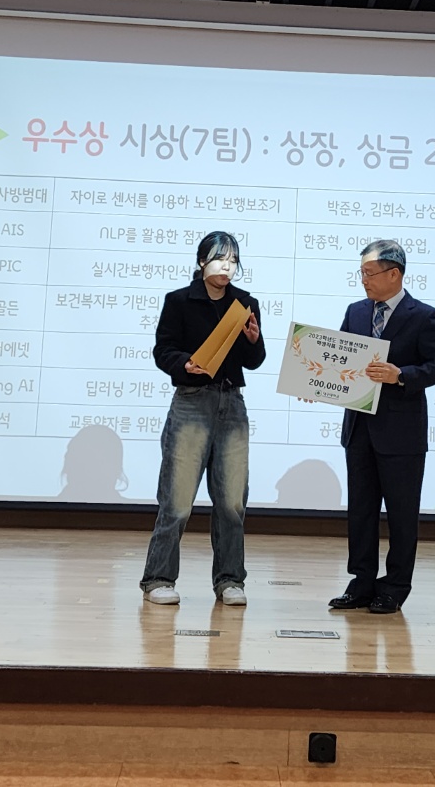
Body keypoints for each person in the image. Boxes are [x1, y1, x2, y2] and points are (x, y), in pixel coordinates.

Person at [328, 239, 435, 615]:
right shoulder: (355, 311)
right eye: (361, 273)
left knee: (401, 515)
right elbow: (339, 360)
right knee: (361, 512)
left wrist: (401, 375)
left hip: (401, 434)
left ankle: (395, 586)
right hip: (359, 429)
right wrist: (316, 383)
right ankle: (361, 583)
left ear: (394, 274)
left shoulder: (424, 316)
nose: (363, 280)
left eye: (369, 273)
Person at [141, 231, 264, 606]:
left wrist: (254, 340)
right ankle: (159, 578)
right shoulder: (179, 300)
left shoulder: (245, 303)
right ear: (201, 262)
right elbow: (163, 350)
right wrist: (185, 364)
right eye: (219, 259)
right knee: (177, 499)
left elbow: (254, 361)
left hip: (232, 403)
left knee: (232, 501)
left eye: (233, 261)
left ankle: (230, 580)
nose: (227, 267)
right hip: (192, 402)